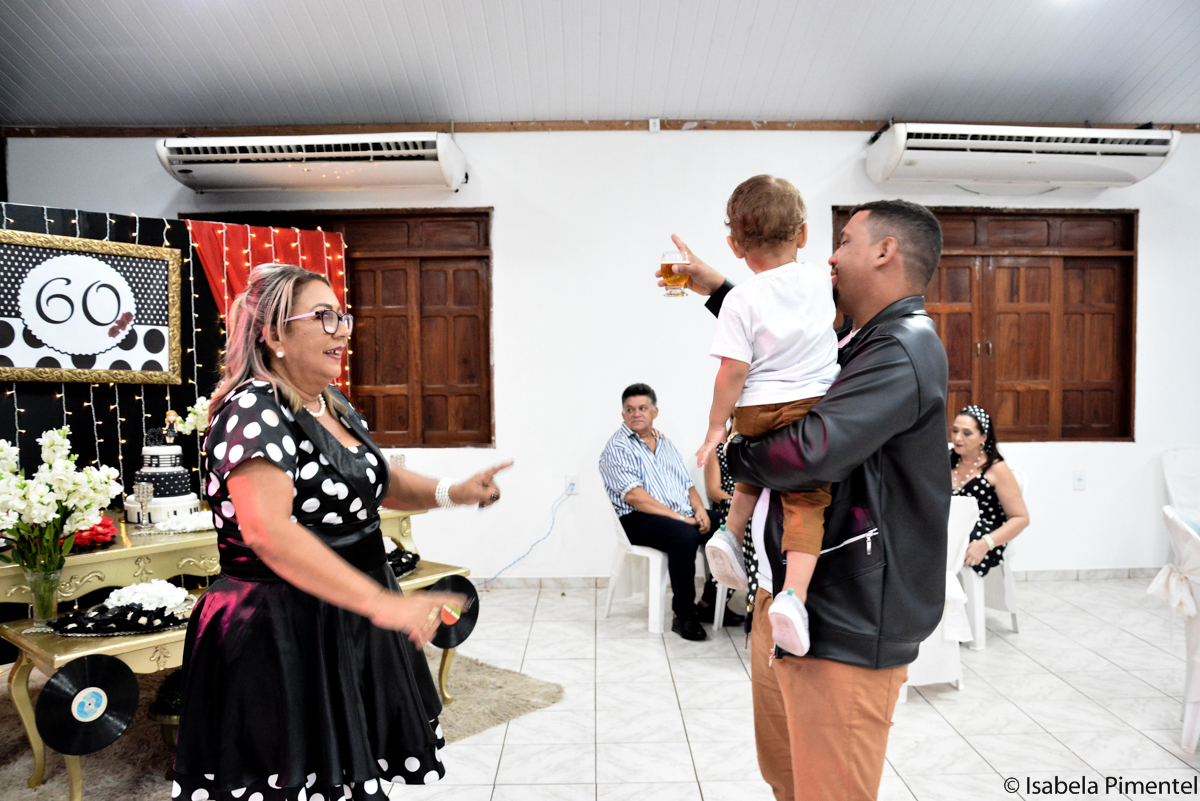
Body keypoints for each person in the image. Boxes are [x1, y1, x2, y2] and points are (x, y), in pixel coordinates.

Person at [173, 264, 511, 801]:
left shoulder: (330, 402)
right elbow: (268, 533)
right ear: (275, 335)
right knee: (289, 779)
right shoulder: (253, 410)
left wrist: (456, 491)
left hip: (347, 614)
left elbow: (376, 481)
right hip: (282, 628)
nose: (342, 331)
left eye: (342, 316)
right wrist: (382, 604)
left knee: (351, 771)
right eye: (323, 317)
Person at [661, 199, 951, 801]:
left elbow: (809, 452)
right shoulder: (857, 339)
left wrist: (731, 452)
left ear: (885, 251)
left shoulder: (901, 348)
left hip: (847, 619)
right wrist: (723, 291)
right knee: (787, 781)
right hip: (789, 603)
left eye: (844, 242)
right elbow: (787, 348)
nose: (830, 257)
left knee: (829, 792)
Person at [698, 175, 841, 658]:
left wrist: (716, 427)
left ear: (735, 247)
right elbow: (837, 323)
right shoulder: (820, 280)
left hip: (755, 409)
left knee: (754, 467)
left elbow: (732, 372)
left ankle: (730, 532)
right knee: (806, 501)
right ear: (803, 234)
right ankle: (793, 598)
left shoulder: (740, 299)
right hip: (808, 408)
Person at [599, 383, 718, 641]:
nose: (636, 414)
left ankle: (711, 603)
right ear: (623, 414)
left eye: (642, 408)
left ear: (655, 412)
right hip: (637, 519)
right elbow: (635, 497)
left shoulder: (666, 444)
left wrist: (700, 510)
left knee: (728, 525)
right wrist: (682, 519)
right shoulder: (617, 448)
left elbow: (688, 485)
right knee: (685, 535)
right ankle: (683, 615)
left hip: (679, 515)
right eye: (630, 409)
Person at [951, 404, 1030, 573]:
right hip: (951, 528)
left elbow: (1021, 518)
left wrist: (985, 543)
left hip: (983, 535)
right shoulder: (948, 460)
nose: (957, 438)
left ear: (983, 437)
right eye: (955, 430)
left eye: (966, 433)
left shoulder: (996, 468)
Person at [704, 415, 760, 638]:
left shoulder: (756, 446)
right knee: (749, 526)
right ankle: (750, 601)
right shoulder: (717, 447)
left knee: (761, 523)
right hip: (728, 506)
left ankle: (754, 599)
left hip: (756, 507)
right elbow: (713, 490)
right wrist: (738, 504)